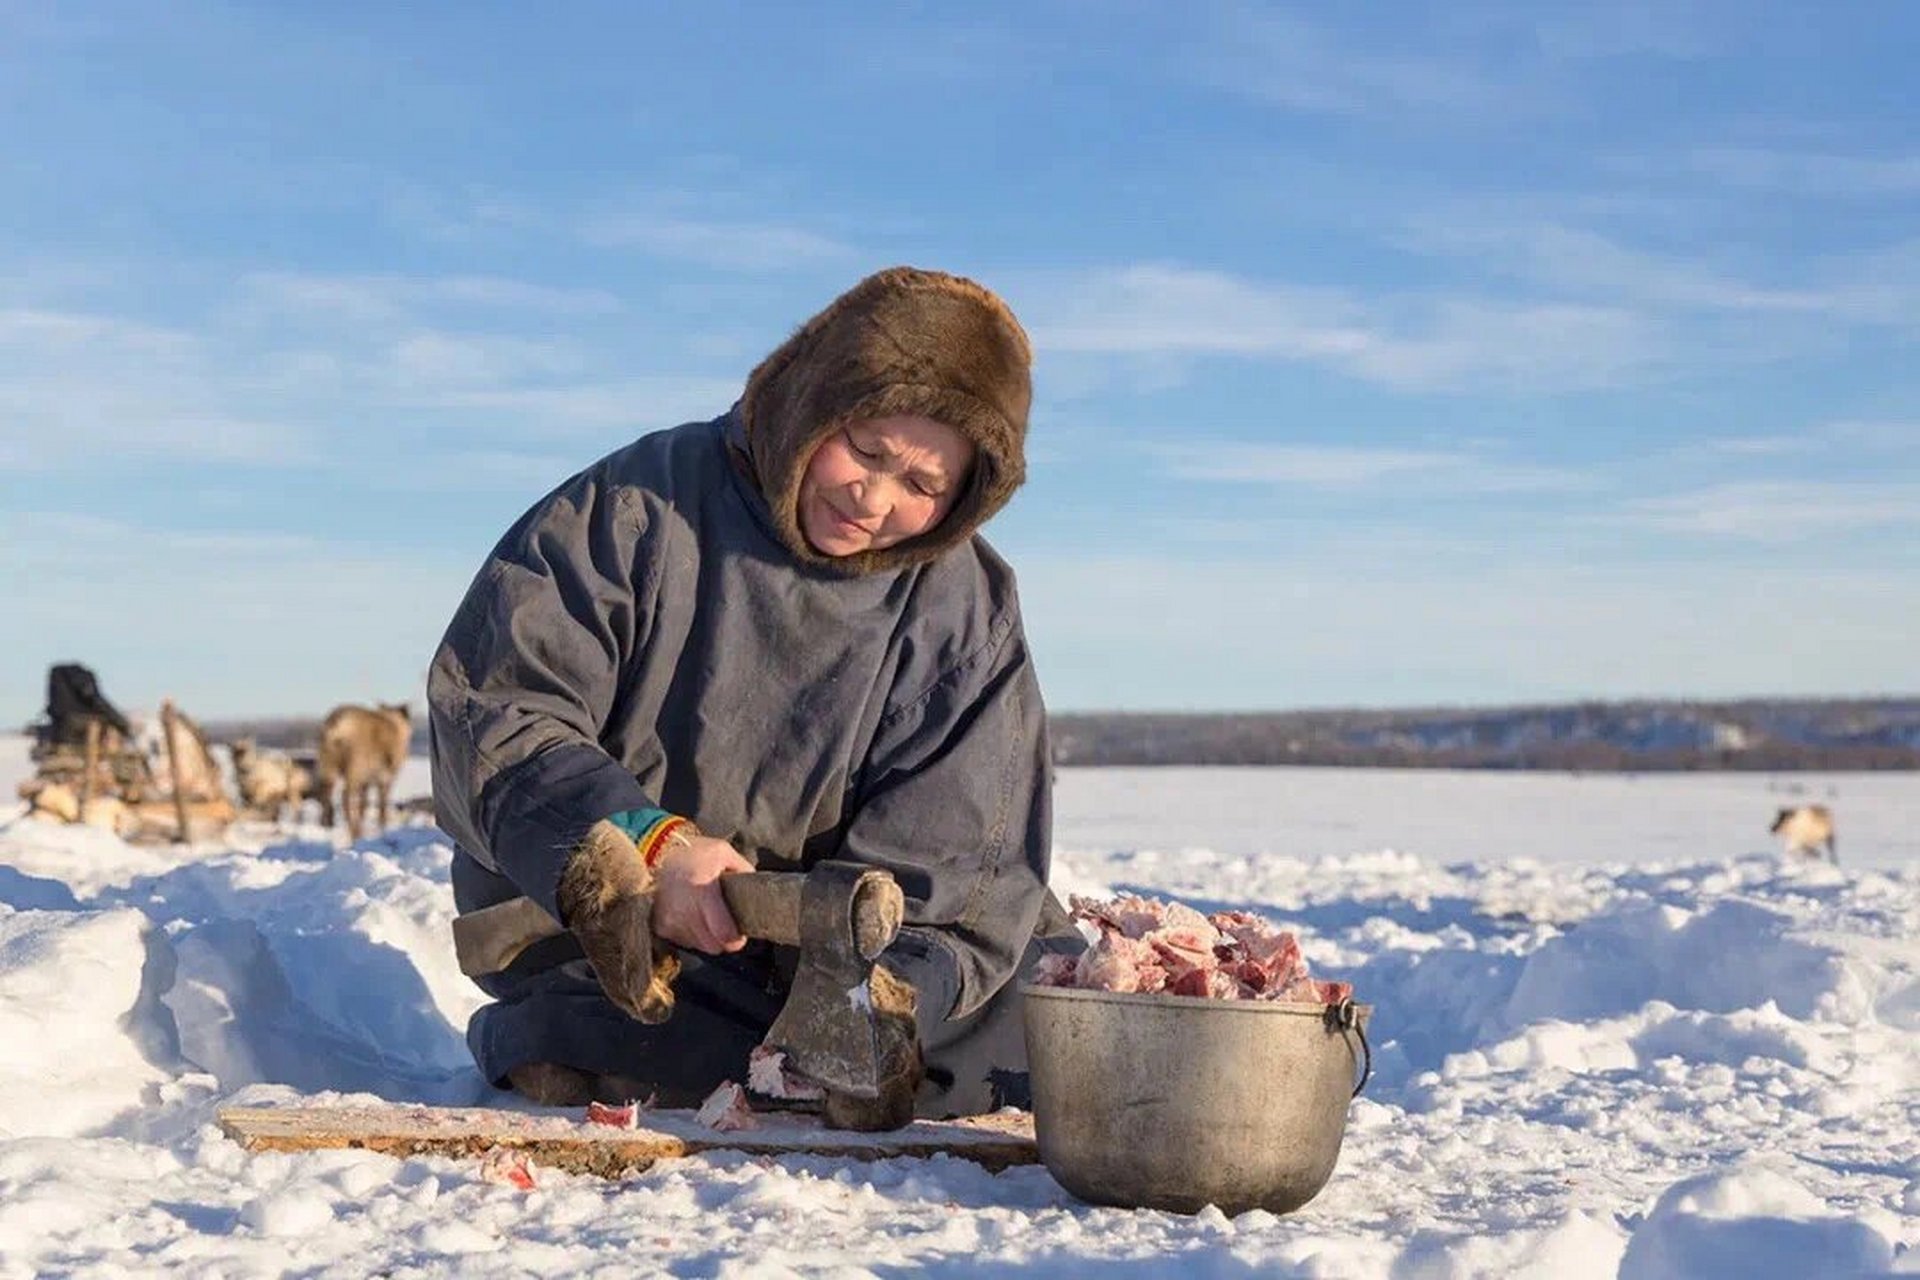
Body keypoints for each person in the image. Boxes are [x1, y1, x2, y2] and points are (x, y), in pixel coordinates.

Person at [428, 266, 1082, 1129]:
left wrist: (882, 991)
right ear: (816, 400)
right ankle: (595, 1040)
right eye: (868, 448)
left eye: (923, 487)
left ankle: (826, 1050)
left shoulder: (964, 607)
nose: (875, 497)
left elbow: (961, 848)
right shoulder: (636, 509)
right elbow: (502, 712)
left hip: (815, 945)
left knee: (1050, 1018)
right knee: (636, 1020)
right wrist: (649, 848)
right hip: (624, 930)